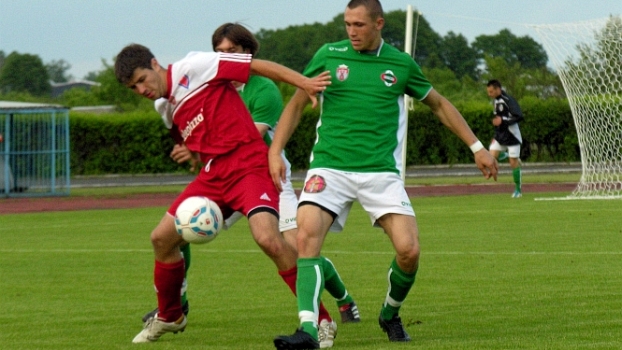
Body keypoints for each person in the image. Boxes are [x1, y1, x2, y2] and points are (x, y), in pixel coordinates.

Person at [269, 1, 498, 348]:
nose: (351, 31)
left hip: (380, 173)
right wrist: (275, 151)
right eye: (347, 24)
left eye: (359, 24)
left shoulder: (400, 64)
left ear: (379, 24)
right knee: (305, 239)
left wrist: (477, 146)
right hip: (329, 167)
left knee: (409, 250)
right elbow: (297, 104)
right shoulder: (329, 55)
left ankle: (389, 313)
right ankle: (309, 330)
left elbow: (438, 104)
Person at [140, 23, 360, 348]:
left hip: (256, 167)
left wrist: (304, 83)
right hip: (215, 175)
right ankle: (172, 314)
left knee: (271, 241)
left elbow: (258, 73)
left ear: (155, 64)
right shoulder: (165, 105)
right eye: (134, 87)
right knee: (162, 237)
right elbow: (192, 138)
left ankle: (323, 318)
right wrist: (192, 153)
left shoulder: (199, 67)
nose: (141, 89)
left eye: (142, 79)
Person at [486, 79, 524, 198]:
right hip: (500, 137)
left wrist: (504, 121)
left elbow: (519, 116)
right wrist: (495, 136)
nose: (489, 94)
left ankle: (518, 190)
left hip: (512, 137)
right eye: (488, 92)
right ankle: (507, 155)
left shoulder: (509, 100)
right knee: (490, 157)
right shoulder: (496, 102)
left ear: (498, 89)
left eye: (491, 91)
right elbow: (498, 121)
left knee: (513, 164)